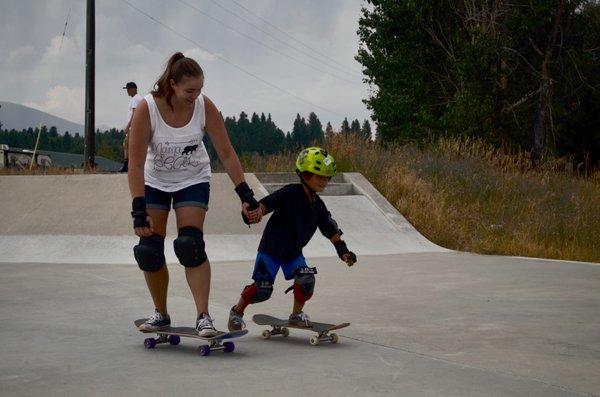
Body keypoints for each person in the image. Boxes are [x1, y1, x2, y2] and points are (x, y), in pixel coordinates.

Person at [127, 52, 260, 336]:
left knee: (190, 244)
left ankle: (203, 316)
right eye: (190, 90)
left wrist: (245, 194)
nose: (195, 95)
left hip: (193, 179)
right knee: (149, 250)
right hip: (154, 182)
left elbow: (226, 152)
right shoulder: (146, 109)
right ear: (172, 84)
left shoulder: (203, 107)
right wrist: (138, 208)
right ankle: (161, 314)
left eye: (200, 89)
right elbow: (135, 163)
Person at [227, 147, 357, 331]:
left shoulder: (318, 206)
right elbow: (265, 205)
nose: (324, 181)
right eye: (318, 176)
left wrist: (344, 252)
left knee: (306, 279)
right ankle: (237, 312)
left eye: (327, 177)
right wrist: (254, 213)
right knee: (262, 289)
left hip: (293, 254)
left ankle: (296, 315)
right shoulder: (289, 193)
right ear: (303, 174)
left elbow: (331, 231)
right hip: (270, 250)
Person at [120, 81, 144, 173]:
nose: (128, 91)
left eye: (129, 89)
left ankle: (127, 166)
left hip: (133, 127)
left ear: (133, 89)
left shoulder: (135, 99)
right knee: (129, 145)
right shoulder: (140, 98)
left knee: (126, 145)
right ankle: (129, 165)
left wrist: (128, 127)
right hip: (136, 127)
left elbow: (135, 114)